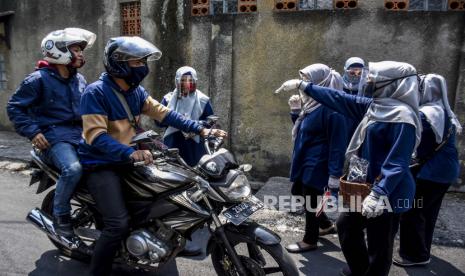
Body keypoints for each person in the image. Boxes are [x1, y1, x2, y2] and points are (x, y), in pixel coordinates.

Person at [78, 36, 227, 276]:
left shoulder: (136, 92)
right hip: (101, 163)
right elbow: (96, 136)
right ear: (119, 63)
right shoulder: (95, 93)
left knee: (163, 198)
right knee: (117, 224)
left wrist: (202, 129)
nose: (143, 67)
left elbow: (166, 115)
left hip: (131, 158)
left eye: (143, 62)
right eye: (137, 62)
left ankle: (149, 242)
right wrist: (130, 152)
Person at [276, 61, 421, 276]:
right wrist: (304, 86)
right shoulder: (375, 106)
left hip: (388, 191)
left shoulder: (403, 118)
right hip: (364, 187)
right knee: (346, 226)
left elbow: (397, 162)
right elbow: (339, 99)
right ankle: (360, 269)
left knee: (379, 242)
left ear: (391, 84)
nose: (368, 80)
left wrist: (380, 192)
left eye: (373, 78)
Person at [7, 28, 96, 238]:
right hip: (53, 139)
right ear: (58, 51)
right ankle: (61, 216)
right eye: (76, 49)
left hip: (80, 136)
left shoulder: (80, 80)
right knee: (73, 169)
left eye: (81, 50)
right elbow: (14, 108)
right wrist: (33, 132)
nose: (81, 54)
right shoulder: (37, 79)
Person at [394, 74, 462, 267]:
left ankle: (413, 255)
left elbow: (418, 147)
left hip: (431, 173)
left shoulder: (427, 114)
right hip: (445, 171)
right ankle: (423, 249)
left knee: (412, 210)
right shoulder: (443, 110)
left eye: (419, 88)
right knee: (428, 211)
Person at [284, 64, 347, 253]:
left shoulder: (333, 109)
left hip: (318, 163)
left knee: (311, 200)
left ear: (322, 82)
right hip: (305, 159)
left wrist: (334, 176)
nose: (304, 85)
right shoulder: (313, 104)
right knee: (298, 191)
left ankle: (310, 240)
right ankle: (326, 224)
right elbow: (305, 130)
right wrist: (295, 113)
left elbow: (338, 145)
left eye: (308, 81)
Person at [157, 66, 214, 166]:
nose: (187, 83)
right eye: (183, 80)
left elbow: (210, 121)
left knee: (197, 173)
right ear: (177, 81)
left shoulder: (203, 100)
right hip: (173, 142)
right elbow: (158, 122)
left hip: (195, 146)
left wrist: (197, 125)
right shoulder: (168, 99)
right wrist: (173, 121)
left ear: (195, 80)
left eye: (191, 80)